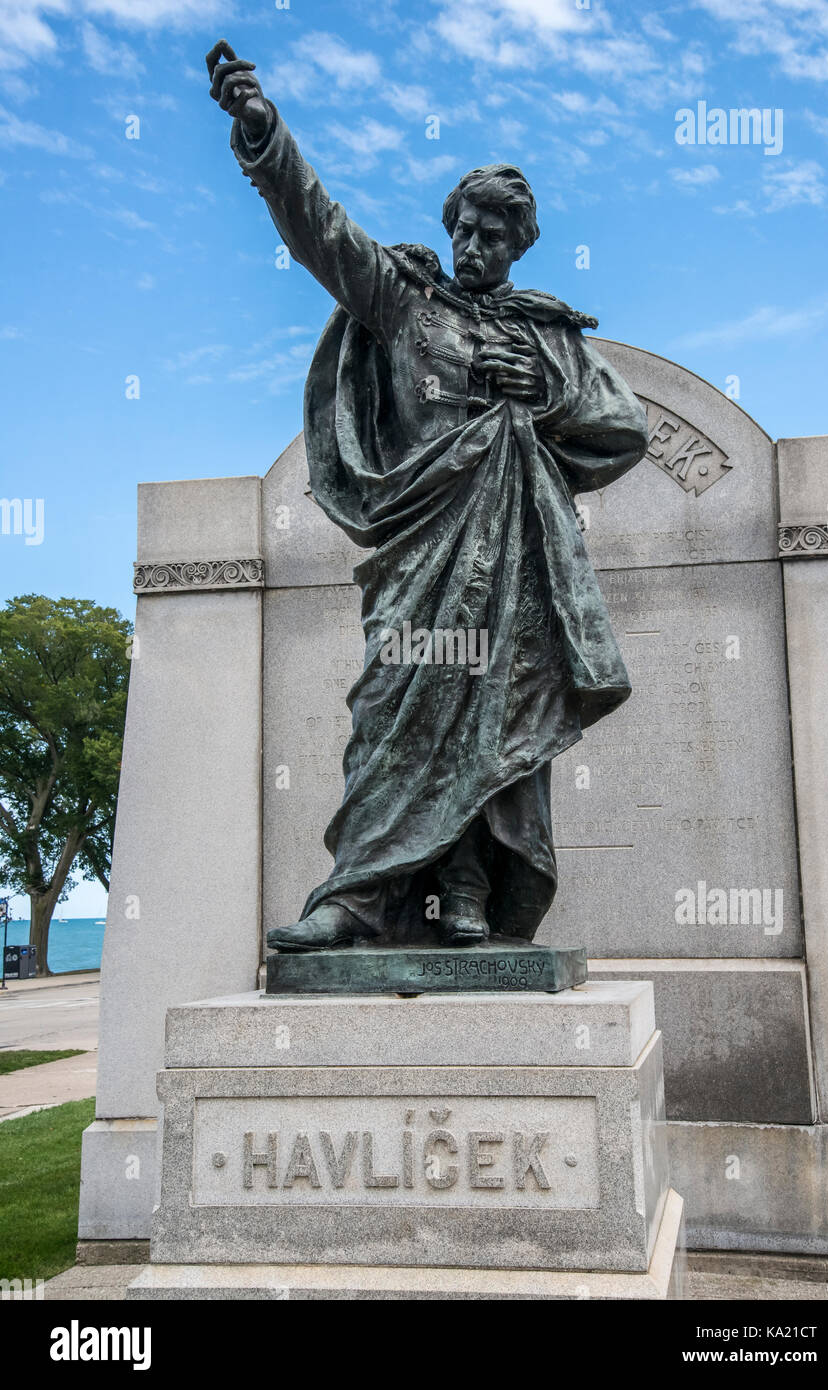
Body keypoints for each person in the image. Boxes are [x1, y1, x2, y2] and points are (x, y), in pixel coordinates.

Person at [207, 41, 649, 951]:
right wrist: (264, 138)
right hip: (420, 558)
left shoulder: (548, 338)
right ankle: (357, 898)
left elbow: (623, 430)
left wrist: (545, 392)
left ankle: (471, 895)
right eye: (465, 228)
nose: (474, 245)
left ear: (518, 244)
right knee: (390, 712)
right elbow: (320, 232)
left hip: (516, 577)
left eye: (494, 234)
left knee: (498, 730)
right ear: (448, 228)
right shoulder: (406, 302)